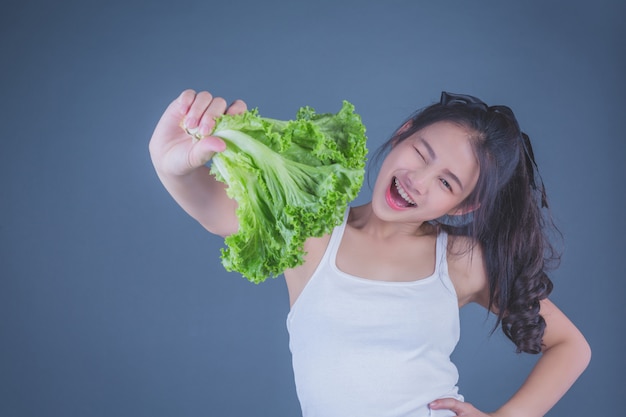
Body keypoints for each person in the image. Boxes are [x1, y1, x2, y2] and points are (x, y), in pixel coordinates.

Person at [149, 89, 591, 417]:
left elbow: (571, 346)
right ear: (402, 135)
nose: (418, 179)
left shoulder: (460, 261)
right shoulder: (314, 230)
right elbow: (214, 210)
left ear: (463, 206)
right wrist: (169, 161)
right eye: (421, 153)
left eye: (446, 183)